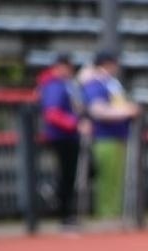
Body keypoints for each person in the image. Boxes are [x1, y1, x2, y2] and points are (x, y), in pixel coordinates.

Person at [79, 50, 138, 219]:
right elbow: (98, 110)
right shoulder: (95, 84)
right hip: (104, 137)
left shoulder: (110, 83)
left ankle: (114, 211)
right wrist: (126, 112)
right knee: (107, 178)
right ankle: (107, 212)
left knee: (116, 178)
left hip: (118, 135)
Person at [36, 53, 86, 230]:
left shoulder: (67, 84)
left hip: (69, 136)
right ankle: (64, 212)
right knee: (66, 176)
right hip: (61, 136)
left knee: (71, 175)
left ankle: (61, 204)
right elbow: (52, 113)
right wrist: (74, 124)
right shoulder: (54, 85)